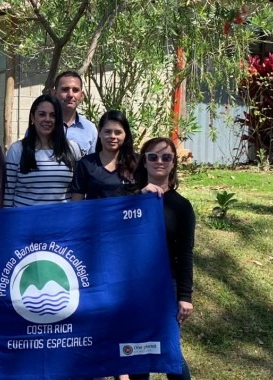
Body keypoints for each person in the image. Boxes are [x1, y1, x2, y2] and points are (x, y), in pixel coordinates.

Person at [129, 137, 195, 380]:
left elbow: (185, 254)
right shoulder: (129, 201)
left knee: (170, 354)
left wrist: (185, 297)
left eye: (166, 157)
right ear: (143, 162)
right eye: (153, 157)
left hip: (167, 286)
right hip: (133, 288)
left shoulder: (182, 207)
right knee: (137, 353)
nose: (159, 161)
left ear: (173, 164)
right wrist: (139, 198)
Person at [4, 94, 80, 207]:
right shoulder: (17, 150)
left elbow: (77, 191)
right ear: (33, 118)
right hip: (25, 222)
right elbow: (8, 193)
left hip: (62, 222)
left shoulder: (72, 148)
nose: (47, 119)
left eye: (53, 115)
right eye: (42, 114)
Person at [71, 110, 137, 200]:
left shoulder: (137, 162)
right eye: (107, 131)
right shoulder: (86, 164)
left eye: (118, 132)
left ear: (125, 135)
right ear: (99, 132)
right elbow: (77, 202)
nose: (113, 136)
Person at [52, 71, 97, 156]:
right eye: (65, 89)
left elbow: (93, 166)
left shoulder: (90, 130)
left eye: (75, 90)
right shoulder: (43, 126)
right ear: (54, 93)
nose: (70, 94)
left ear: (82, 95)